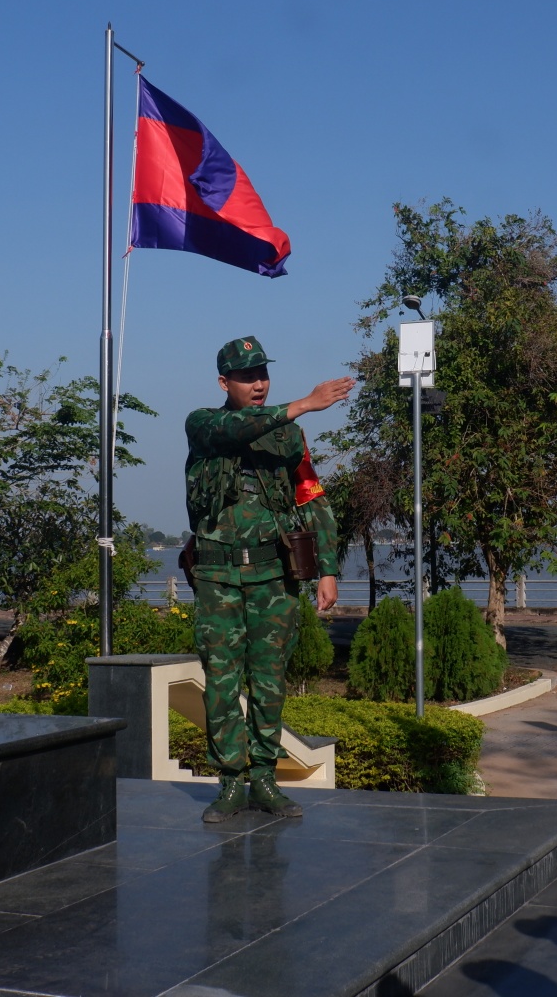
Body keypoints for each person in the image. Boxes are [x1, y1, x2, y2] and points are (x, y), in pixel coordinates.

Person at [183, 336, 352, 823]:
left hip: (274, 578)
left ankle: (263, 776)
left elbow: (310, 498)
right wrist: (303, 403)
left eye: (263, 373)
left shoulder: (287, 437)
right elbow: (237, 428)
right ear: (224, 382)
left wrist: (328, 568)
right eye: (246, 376)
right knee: (220, 680)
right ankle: (230, 782)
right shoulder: (204, 424)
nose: (258, 383)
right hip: (217, 574)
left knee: (269, 681)